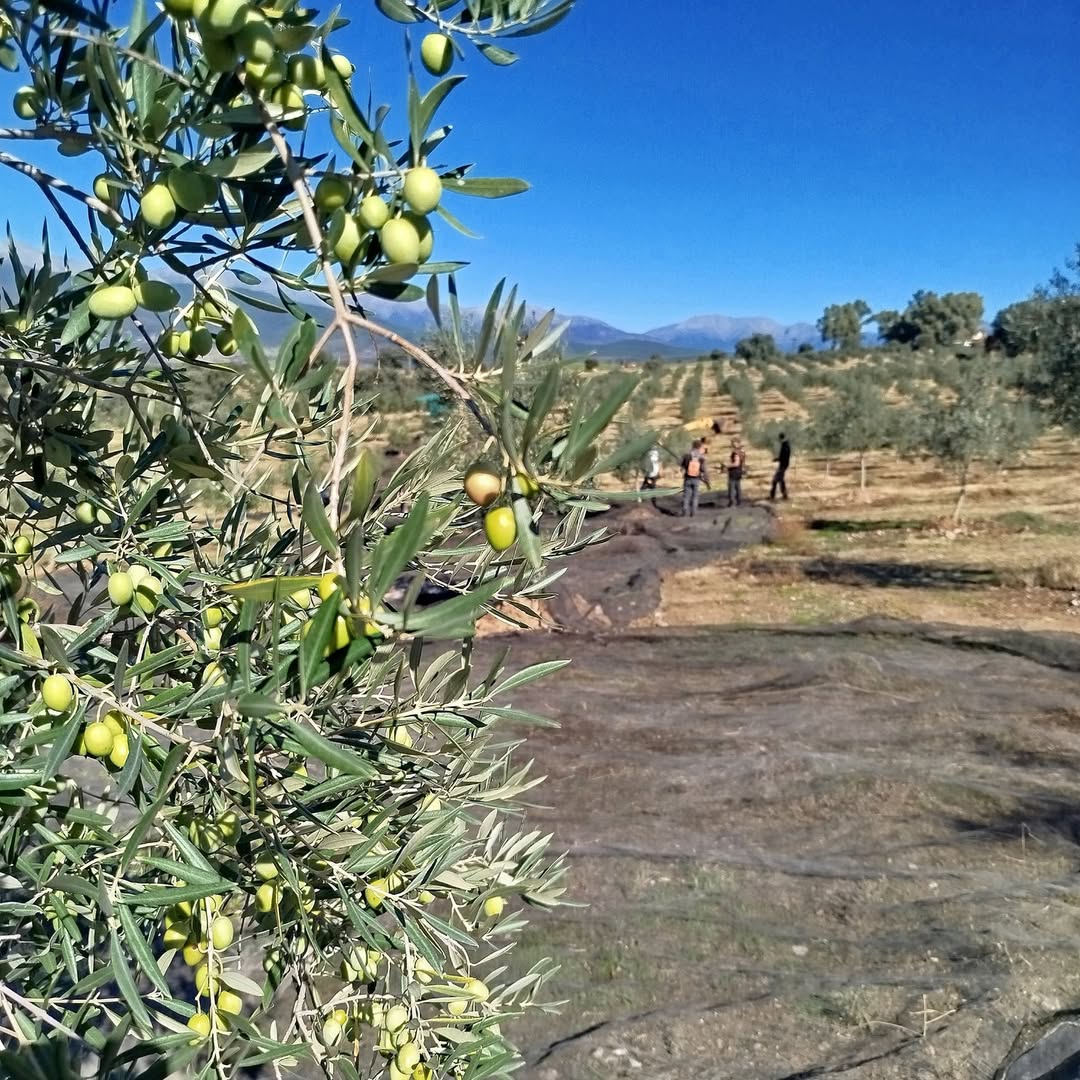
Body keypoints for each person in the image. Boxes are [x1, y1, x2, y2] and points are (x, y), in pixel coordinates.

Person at [680, 439, 709, 517]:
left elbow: (681, 465)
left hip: (687, 478)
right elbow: (704, 470)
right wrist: (707, 481)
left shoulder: (686, 455)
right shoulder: (701, 457)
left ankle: (685, 510)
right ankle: (693, 512)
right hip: (696, 479)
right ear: (699, 447)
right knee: (695, 496)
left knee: (686, 495)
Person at [770, 432, 791, 501]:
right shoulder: (785, 444)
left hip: (783, 465)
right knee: (781, 480)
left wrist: (777, 459)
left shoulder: (785, 445)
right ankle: (784, 495)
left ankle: (773, 495)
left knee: (775, 480)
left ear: (780, 438)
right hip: (783, 465)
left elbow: (784, 457)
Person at [727, 439, 745, 507]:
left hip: (734, 472)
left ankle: (731, 502)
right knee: (738, 487)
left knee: (731, 488)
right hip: (739, 472)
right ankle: (739, 501)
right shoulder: (742, 452)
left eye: (732, 444)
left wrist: (728, 466)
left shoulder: (735, 453)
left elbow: (736, 463)